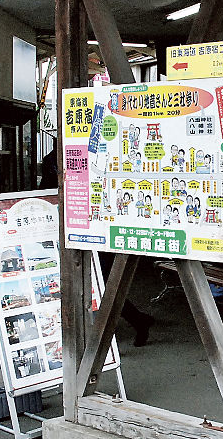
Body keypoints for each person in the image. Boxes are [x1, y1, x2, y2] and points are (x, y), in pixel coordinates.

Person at [35, 138, 155, 345]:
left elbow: (45, 192)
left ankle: (134, 322)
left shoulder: (85, 161)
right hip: (81, 229)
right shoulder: (54, 161)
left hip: (93, 229)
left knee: (103, 284)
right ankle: (135, 321)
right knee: (99, 284)